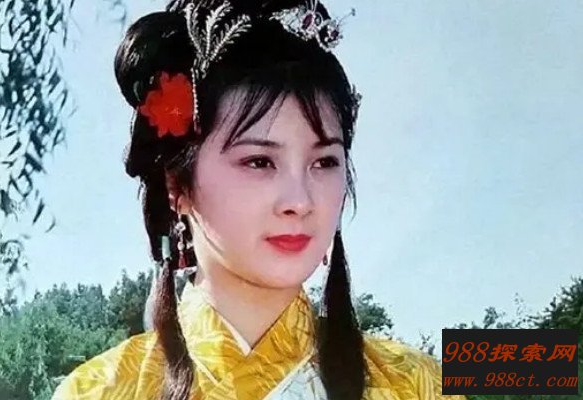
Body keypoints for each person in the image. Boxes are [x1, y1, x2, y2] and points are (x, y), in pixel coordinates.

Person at [52, 0, 467, 399]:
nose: (300, 201)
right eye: (259, 162)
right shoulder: (100, 392)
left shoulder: (416, 386)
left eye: (324, 162)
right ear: (177, 185)